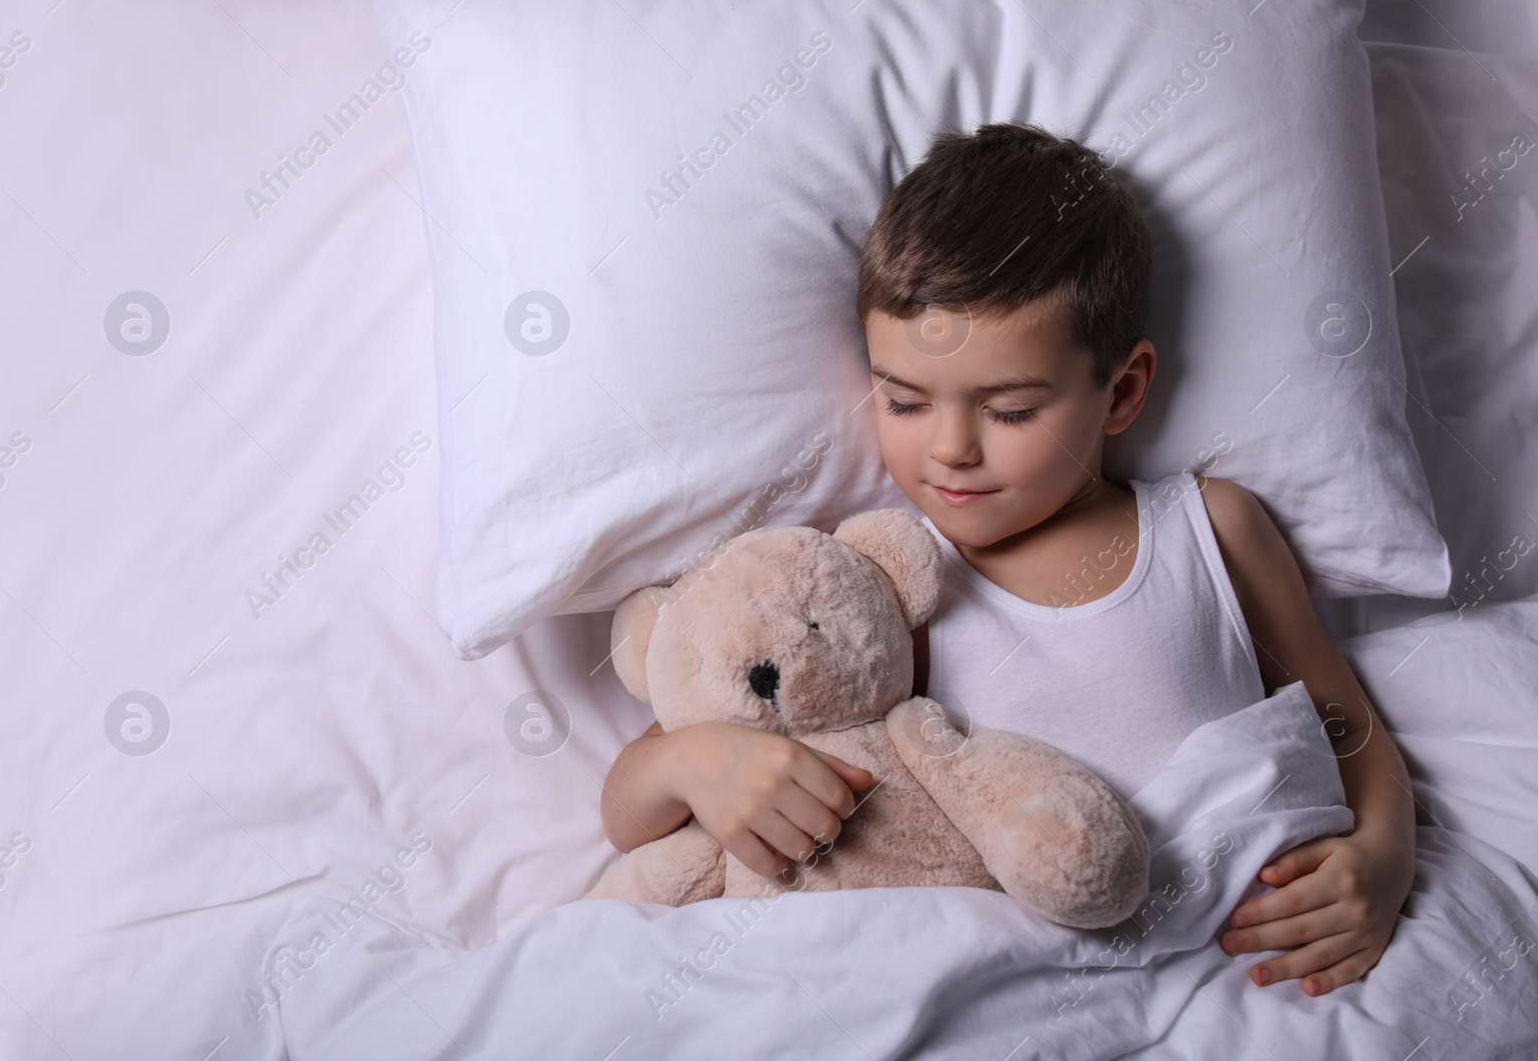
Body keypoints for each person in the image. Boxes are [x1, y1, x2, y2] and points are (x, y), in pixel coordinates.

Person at [600, 121, 1415, 997]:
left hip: (1234, 961)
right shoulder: (876, 584)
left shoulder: (1212, 530)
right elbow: (629, 805)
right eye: (905, 401)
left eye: (1012, 411)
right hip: (1023, 977)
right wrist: (694, 762)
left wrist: (1382, 854)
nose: (950, 450)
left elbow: (1343, 721)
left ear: (1123, 389)